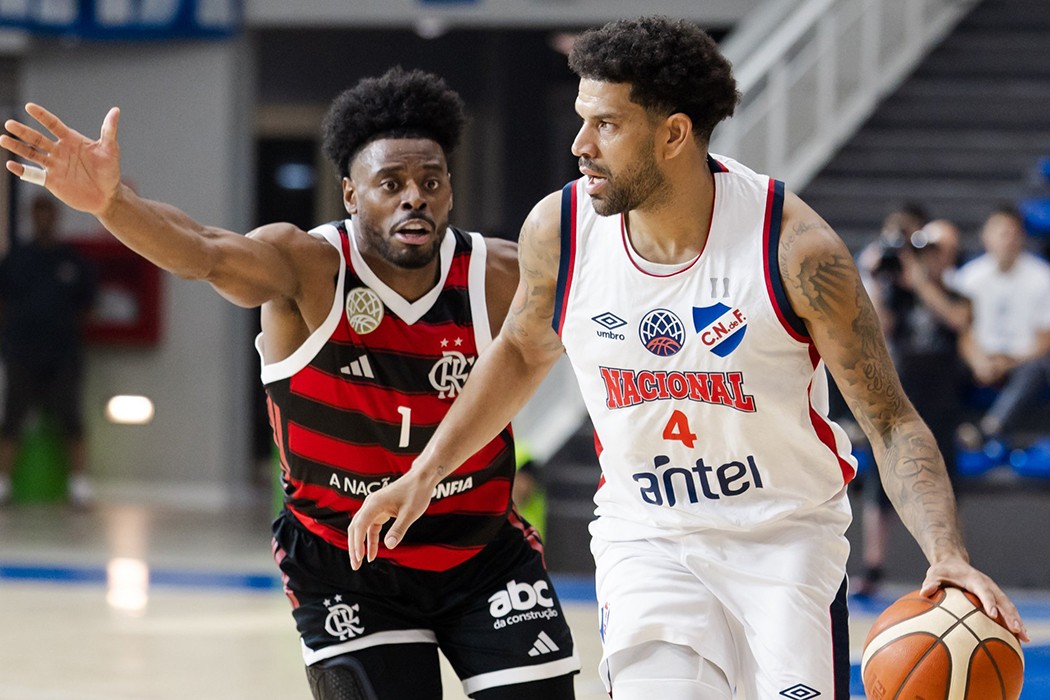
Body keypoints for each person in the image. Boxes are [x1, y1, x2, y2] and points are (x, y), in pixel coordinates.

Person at [346, 17, 1029, 700]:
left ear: (673, 134)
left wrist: (947, 554)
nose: (580, 145)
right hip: (649, 541)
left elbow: (890, 419)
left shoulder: (795, 250)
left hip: (786, 543)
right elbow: (522, 351)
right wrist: (424, 474)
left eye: (606, 125)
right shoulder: (560, 231)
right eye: (583, 120)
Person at [1, 67, 579, 700]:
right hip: (345, 562)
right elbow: (203, 250)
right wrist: (113, 204)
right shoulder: (306, 266)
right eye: (391, 183)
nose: (414, 197)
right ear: (350, 194)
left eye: (431, 182)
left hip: (482, 553)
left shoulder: (498, 274)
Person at [856, 218, 971, 596]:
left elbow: (957, 320)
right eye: (921, 254)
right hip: (900, 398)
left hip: (942, 399)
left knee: (945, 485)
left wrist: (921, 283)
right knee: (880, 485)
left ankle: (950, 563)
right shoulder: (896, 295)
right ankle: (873, 566)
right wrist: (875, 280)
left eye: (933, 254)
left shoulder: (956, 294)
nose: (926, 260)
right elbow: (876, 329)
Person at [0, 193, 96, 507]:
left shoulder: (72, 260)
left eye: (48, 212)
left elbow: (88, 305)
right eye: (38, 212)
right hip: (22, 351)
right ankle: (3, 484)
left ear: (56, 216)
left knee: (71, 417)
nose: (43, 218)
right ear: (31, 216)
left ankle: (79, 486)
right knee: (13, 416)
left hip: (63, 353)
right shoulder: (17, 259)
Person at [954, 206, 1050, 451]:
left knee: (1039, 368)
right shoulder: (969, 277)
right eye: (1002, 233)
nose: (1008, 240)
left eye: (1013, 233)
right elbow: (962, 330)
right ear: (986, 236)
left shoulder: (1042, 276)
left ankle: (989, 428)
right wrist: (978, 361)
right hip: (979, 359)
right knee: (940, 359)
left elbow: (1045, 338)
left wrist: (1008, 363)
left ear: (1022, 237)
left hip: (1022, 361)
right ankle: (934, 428)